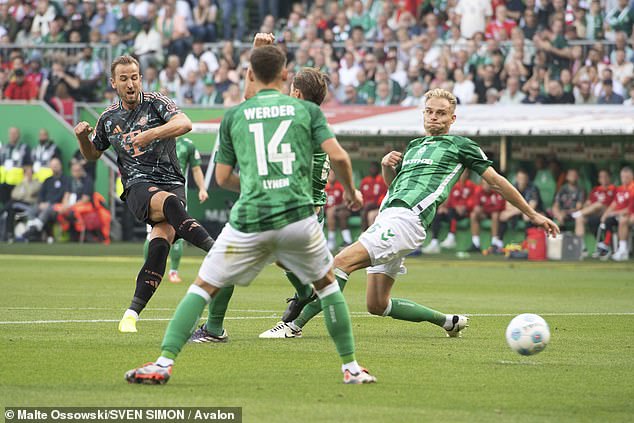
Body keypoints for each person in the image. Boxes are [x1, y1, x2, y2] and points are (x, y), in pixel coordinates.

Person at [125, 44, 376, 386]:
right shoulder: (307, 112)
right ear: (285, 77)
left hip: (250, 219)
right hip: (298, 218)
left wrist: (258, 185)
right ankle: (351, 368)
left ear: (250, 75)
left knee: (202, 287)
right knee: (328, 288)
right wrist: (351, 192)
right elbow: (342, 159)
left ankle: (163, 363)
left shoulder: (235, 115)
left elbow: (224, 178)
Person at [260, 88, 559, 340]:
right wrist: (385, 167)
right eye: (429, 111)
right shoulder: (414, 146)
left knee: (339, 263)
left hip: (406, 220)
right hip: (390, 215)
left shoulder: (461, 146)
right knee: (377, 304)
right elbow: (395, 187)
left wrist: (532, 214)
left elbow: (496, 181)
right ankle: (448, 322)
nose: (434, 117)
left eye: (441, 113)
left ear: (453, 118)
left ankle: (293, 325)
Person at [188, 34, 359, 345]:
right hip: (308, 211)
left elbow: (250, 106)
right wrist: (350, 191)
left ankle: (208, 332)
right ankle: (347, 357)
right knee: (303, 270)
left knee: (223, 261)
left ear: (294, 91)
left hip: (280, 206)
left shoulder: (295, 118)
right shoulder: (313, 119)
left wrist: (257, 55)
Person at [74, 55, 215, 333]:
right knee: (170, 204)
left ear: (141, 78)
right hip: (138, 186)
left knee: (160, 245)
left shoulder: (157, 102)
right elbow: (92, 155)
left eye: (135, 76)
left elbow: (185, 124)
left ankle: (130, 314)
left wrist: (151, 135)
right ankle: (216, 249)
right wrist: (81, 138)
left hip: (172, 180)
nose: (131, 83)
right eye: (124, 78)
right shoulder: (108, 118)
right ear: (114, 83)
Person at [143, 137, 208, 284]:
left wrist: (202, 188)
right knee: (151, 234)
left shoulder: (187, 145)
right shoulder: (154, 141)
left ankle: (173, 272)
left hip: (178, 195)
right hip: (155, 194)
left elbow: (196, 168)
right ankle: (146, 270)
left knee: (178, 231)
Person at [423, 170, 479, 253]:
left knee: (451, 211)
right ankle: (434, 242)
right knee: (439, 214)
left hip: (465, 212)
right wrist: (445, 207)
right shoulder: (455, 186)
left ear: (467, 174)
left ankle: (451, 237)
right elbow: (450, 201)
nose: (462, 175)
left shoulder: (472, 186)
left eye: (465, 173)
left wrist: (464, 207)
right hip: (453, 211)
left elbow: (474, 200)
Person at [23, 157, 70, 243]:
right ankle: (33, 231)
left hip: (56, 207)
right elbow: (41, 195)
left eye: (56, 165)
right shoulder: (47, 180)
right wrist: (41, 203)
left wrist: (54, 205)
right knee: (32, 210)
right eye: (53, 166)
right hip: (45, 205)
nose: (55, 167)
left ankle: (32, 231)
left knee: (47, 210)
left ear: (60, 166)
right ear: (50, 167)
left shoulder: (66, 180)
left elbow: (66, 196)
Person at [594, 167, 634, 260]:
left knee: (623, 220)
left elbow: (629, 209)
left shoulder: (633, 189)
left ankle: (623, 250)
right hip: (619, 215)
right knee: (607, 220)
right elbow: (613, 204)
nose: (624, 179)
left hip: (628, 215)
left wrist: (615, 213)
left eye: (627, 177)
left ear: (632, 176)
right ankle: (608, 246)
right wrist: (606, 214)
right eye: (623, 177)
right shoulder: (620, 189)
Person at [572, 169, 615, 253]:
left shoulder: (613, 189)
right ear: (599, 179)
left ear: (609, 178)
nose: (603, 178)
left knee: (598, 204)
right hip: (594, 215)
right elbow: (588, 202)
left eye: (605, 176)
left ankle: (578, 213)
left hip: (607, 214)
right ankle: (581, 248)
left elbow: (614, 204)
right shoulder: (595, 189)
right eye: (601, 177)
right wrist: (584, 206)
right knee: (579, 219)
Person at [498, 169, 542, 243]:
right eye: (519, 178)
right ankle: (499, 243)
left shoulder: (533, 188)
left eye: (523, 178)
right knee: (503, 215)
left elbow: (531, 208)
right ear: (516, 178)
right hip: (520, 212)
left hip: (535, 212)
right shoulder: (512, 187)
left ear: (527, 179)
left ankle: (527, 242)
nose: (521, 180)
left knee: (527, 217)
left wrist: (514, 211)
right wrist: (514, 212)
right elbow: (508, 206)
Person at [0, 166, 41, 242]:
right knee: (10, 210)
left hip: (29, 204)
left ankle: (2, 211)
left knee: (11, 204)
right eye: (26, 173)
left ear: (33, 173)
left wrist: (23, 191)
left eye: (30, 172)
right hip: (19, 204)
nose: (28, 174)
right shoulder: (21, 183)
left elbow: (30, 192)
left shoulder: (36, 183)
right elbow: (13, 194)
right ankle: (9, 234)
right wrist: (23, 194)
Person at [470, 178, 506, 253]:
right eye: (484, 184)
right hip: (485, 214)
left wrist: (484, 208)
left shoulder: (497, 191)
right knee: (473, 214)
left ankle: (494, 243)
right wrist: (483, 209)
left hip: (497, 215)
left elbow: (498, 207)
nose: (486, 186)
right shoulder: (479, 191)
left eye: (487, 184)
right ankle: (475, 243)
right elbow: (476, 206)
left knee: (495, 214)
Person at [0, 127, 31, 204]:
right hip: (3, 182)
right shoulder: (4, 148)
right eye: (11, 133)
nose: (13, 135)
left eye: (15, 133)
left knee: (14, 204)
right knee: (5, 203)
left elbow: (29, 166)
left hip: (17, 183)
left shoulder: (24, 148)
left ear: (19, 135)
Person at [359, 161, 387, 231]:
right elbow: (361, 194)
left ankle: (363, 231)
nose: (373, 169)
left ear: (378, 169)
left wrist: (377, 203)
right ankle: (364, 231)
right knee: (365, 210)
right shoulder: (365, 181)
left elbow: (384, 195)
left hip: (377, 205)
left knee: (367, 210)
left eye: (375, 168)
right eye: (371, 168)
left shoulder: (382, 180)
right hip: (365, 205)